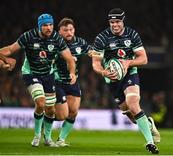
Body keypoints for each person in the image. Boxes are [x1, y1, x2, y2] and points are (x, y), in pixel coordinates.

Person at [0, 13, 76, 147]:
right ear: (40, 26)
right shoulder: (29, 36)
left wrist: (72, 73)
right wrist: (3, 56)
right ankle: (36, 136)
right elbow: (11, 49)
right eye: (45, 25)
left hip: (48, 75)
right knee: (41, 103)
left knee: (51, 110)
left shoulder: (57, 38)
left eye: (51, 25)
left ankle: (47, 138)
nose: (49, 28)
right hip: (31, 73)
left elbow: (69, 58)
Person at [91, 8, 160, 154]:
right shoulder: (102, 38)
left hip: (130, 74)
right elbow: (95, 62)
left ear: (123, 21)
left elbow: (144, 59)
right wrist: (103, 71)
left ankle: (150, 142)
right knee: (131, 115)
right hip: (112, 78)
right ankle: (148, 123)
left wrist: (128, 63)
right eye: (112, 22)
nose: (114, 25)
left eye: (117, 22)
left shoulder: (132, 35)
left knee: (133, 104)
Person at [54, 17, 91, 147]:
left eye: (71, 29)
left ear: (74, 30)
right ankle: (45, 119)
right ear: (59, 31)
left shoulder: (80, 42)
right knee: (61, 116)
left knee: (73, 111)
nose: (69, 32)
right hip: (56, 80)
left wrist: (103, 55)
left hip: (72, 81)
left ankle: (61, 139)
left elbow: (92, 52)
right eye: (65, 30)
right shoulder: (55, 43)